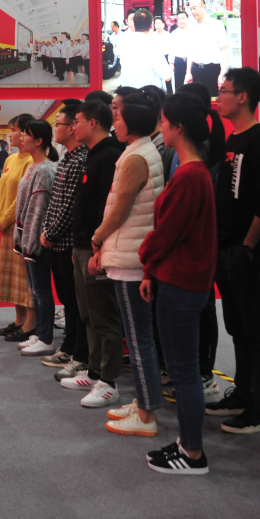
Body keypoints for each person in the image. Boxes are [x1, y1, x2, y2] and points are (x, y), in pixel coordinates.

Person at [138, 93, 219, 474]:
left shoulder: (190, 176)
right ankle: (188, 444)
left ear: (178, 127)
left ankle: (192, 452)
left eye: (165, 122)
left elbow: (166, 233)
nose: (162, 128)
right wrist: (151, 269)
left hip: (181, 285)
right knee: (182, 369)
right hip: (178, 279)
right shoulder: (192, 173)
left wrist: (144, 256)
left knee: (184, 372)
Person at [207, 67, 260, 434]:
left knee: (257, 328)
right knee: (238, 327)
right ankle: (244, 392)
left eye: (224, 91)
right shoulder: (232, 139)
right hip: (228, 246)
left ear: (243, 96)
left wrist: (248, 246)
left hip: (248, 249)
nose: (218, 97)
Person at [90, 95, 165, 433]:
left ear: (131, 122)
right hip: (132, 253)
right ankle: (145, 402)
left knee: (137, 339)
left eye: (118, 117)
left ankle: (147, 415)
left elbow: (119, 210)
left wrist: (97, 238)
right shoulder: (139, 151)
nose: (114, 123)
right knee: (139, 338)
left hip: (130, 257)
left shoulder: (136, 157)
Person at [62, 100, 127, 407]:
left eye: (77, 121)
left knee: (104, 316)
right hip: (81, 245)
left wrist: (98, 247)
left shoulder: (110, 156)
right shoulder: (92, 155)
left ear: (93, 123)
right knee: (87, 313)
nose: (73, 127)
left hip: (95, 246)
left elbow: (109, 209)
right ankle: (94, 371)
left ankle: (109, 381)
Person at [38, 99, 90, 372]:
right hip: (57, 241)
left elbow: (70, 206)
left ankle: (76, 350)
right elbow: (54, 202)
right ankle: (70, 346)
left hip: (69, 242)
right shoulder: (67, 158)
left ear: (72, 128)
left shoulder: (81, 159)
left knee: (75, 302)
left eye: (58, 123)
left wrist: (52, 232)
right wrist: (46, 229)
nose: (55, 128)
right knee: (67, 300)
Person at [13, 118, 61, 357]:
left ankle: (45, 338)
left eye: (26, 135)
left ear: (39, 140)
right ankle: (41, 333)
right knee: (35, 290)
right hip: (28, 238)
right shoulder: (33, 166)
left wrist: (31, 242)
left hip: (36, 239)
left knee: (41, 291)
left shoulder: (44, 169)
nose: (21, 138)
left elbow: (39, 211)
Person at [0, 115, 36, 341]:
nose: (10, 134)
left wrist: (6, 218)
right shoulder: (10, 159)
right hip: (7, 226)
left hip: (21, 225)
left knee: (25, 277)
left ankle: (31, 323)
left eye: (14, 130)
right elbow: (1, 191)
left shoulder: (31, 160)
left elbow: (22, 197)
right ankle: (19, 319)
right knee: (13, 277)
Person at [115, 10, 172, 90]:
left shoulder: (125, 44)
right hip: (147, 94)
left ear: (135, 24)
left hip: (128, 93)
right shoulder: (153, 47)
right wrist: (171, 66)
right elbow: (167, 77)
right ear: (152, 25)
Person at [185, 0, 230, 94]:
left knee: (212, 98)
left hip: (212, 70)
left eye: (194, 8)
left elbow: (225, 50)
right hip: (196, 70)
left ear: (203, 7)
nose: (192, 11)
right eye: (191, 9)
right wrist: (188, 72)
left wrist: (222, 74)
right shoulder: (192, 26)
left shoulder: (217, 24)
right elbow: (190, 50)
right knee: (197, 99)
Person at [169, 12, 192, 88]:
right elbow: (171, 49)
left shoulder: (193, 31)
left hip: (192, 61)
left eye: (183, 18)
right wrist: (171, 63)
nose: (181, 20)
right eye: (179, 19)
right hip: (179, 61)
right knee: (178, 84)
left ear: (188, 19)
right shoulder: (174, 33)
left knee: (192, 84)